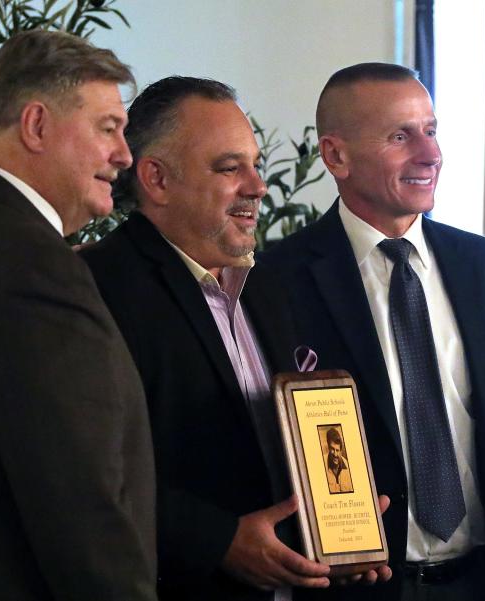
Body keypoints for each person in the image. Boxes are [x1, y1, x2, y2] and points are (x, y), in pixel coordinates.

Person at [80, 76, 388, 601]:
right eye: (230, 168)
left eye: (256, 165)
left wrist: (339, 529)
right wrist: (218, 542)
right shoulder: (93, 288)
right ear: (156, 179)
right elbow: (82, 472)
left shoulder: (268, 285)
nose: (257, 186)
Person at [263, 62, 485, 601]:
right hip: (363, 589)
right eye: (401, 136)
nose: (430, 154)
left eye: (432, 130)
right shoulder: (274, 281)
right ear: (335, 156)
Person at [0, 30, 157, 599]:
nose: (124, 155)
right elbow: (80, 508)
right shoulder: (39, 270)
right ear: (36, 125)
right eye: (107, 128)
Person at [324, 428, 353, 493]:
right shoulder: (321, 463)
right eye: (332, 449)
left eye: (337, 450)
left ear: (341, 451)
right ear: (328, 447)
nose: (335, 454)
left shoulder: (349, 467)